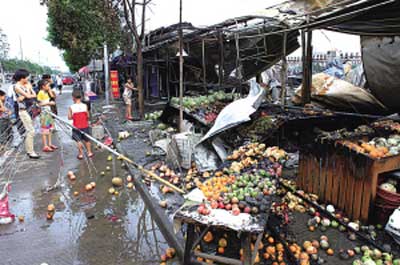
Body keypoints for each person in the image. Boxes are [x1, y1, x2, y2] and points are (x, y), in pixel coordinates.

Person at [14, 69, 40, 159]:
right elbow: (29, 96)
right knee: (31, 130)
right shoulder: (17, 86)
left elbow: (34, 94)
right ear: (22, 78)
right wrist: (28, 91)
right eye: (27, 77)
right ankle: (30, 152)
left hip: (30, 109)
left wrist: (29, 90)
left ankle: (30, 150)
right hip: (23, 111)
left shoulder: (26, 85)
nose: (28, 78)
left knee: (30, 130)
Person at [68, 90, 93, 160]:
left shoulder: (71, 107)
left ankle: (81, 154)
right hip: (85, 126)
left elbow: (69, 117)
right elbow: (88, 116)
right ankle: (89, 152)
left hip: (76, 127)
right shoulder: (85, 106)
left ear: (73, 98)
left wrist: (74, 116)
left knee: (78, 140)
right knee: (87, 140)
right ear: (81, 97)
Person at [37, 80, 57, 152]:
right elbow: (39, 104)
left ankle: (50, 144)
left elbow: (53, 97)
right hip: (44, 113)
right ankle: (45, 146)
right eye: (48, 86)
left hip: (48, 112)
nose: (49, 87)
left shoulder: (46, 92)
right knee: (45, 129)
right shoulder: (40, 93)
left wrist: (49, 90)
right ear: (43, 86)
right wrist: (49, 103)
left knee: (50, 129)